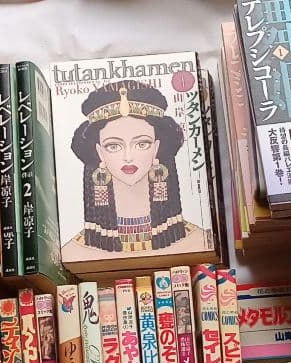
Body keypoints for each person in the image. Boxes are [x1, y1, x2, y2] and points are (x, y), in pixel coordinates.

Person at [63, 81, 206, 261]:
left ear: (156, 148)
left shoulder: (197, 241)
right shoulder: (74, 251)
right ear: (99, 152)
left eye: (142, 144)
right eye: (113, 146)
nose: (128, 157)